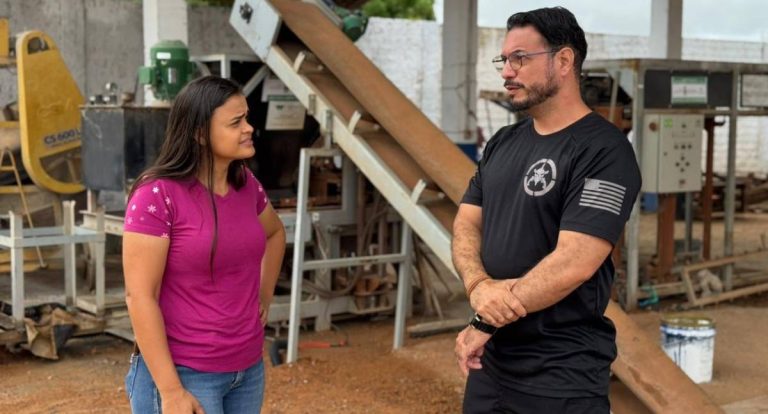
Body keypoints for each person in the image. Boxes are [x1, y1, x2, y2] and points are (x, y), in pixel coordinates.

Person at [452, 7, 641, 414]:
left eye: (520, 58)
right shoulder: (504, 141)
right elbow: (467, 221)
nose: (506, 71)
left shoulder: (605, 151)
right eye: (504, 59)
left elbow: (575, 262)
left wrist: (485, 319)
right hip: (492, 367)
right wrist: (477, 287)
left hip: (560, 374)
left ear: (564, 60)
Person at [122, 76, 286, 414]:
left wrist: (263, 295)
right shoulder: (157, 195)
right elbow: (140, 297)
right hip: (184, 374)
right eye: (236, 122)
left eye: (247, 118)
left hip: (246, 369)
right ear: (199, 133)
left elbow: (274, 234)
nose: (249, 128)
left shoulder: (246, 185)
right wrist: (170, 392)